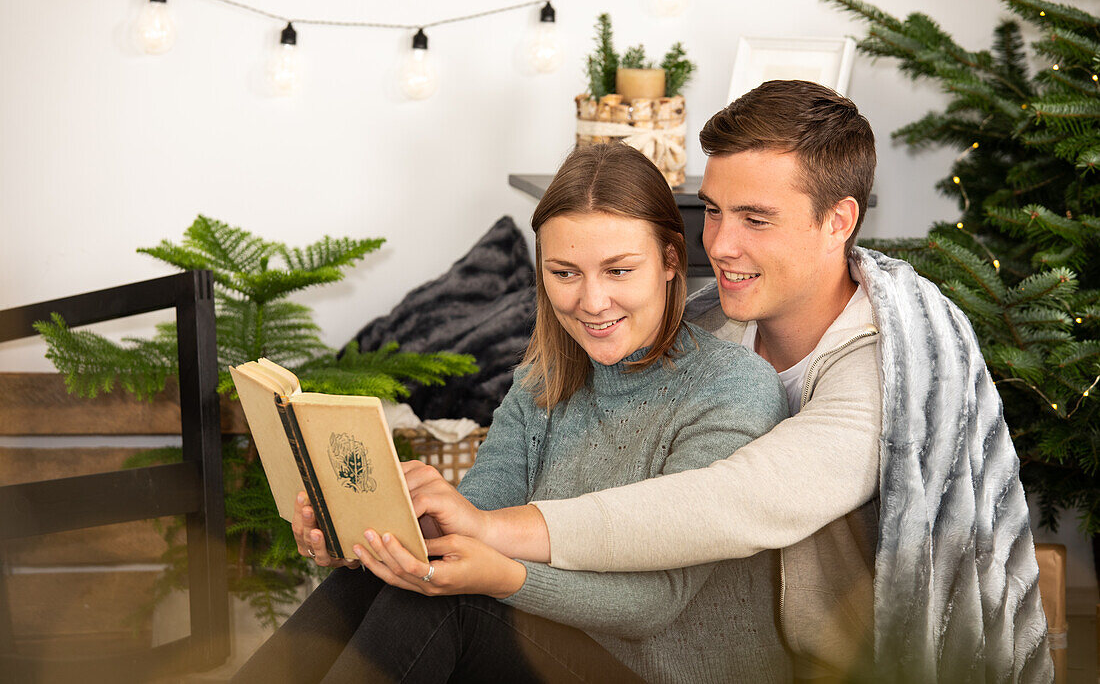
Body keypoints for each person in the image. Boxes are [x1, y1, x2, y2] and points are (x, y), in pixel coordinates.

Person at [398, 81, 1054, 683]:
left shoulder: (894, 375)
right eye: (713, 211)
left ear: (839, 221)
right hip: (638, 640)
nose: (720, 244)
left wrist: (491, 532)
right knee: (404, 590)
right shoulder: (710, 321)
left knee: (447, 611)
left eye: (755, 218)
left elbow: (724, 503)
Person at [234, 142, 793, 683]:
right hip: (550, 645)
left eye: (619, 271)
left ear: (671, 262)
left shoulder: (732, 389)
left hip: (662, 670)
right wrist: (366, 535)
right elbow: (479, 512)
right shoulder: (543, 381)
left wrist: (504, 578)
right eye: (565, 272)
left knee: (445, 604)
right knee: (383, 583)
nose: (591, 301)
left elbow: (653, 605)